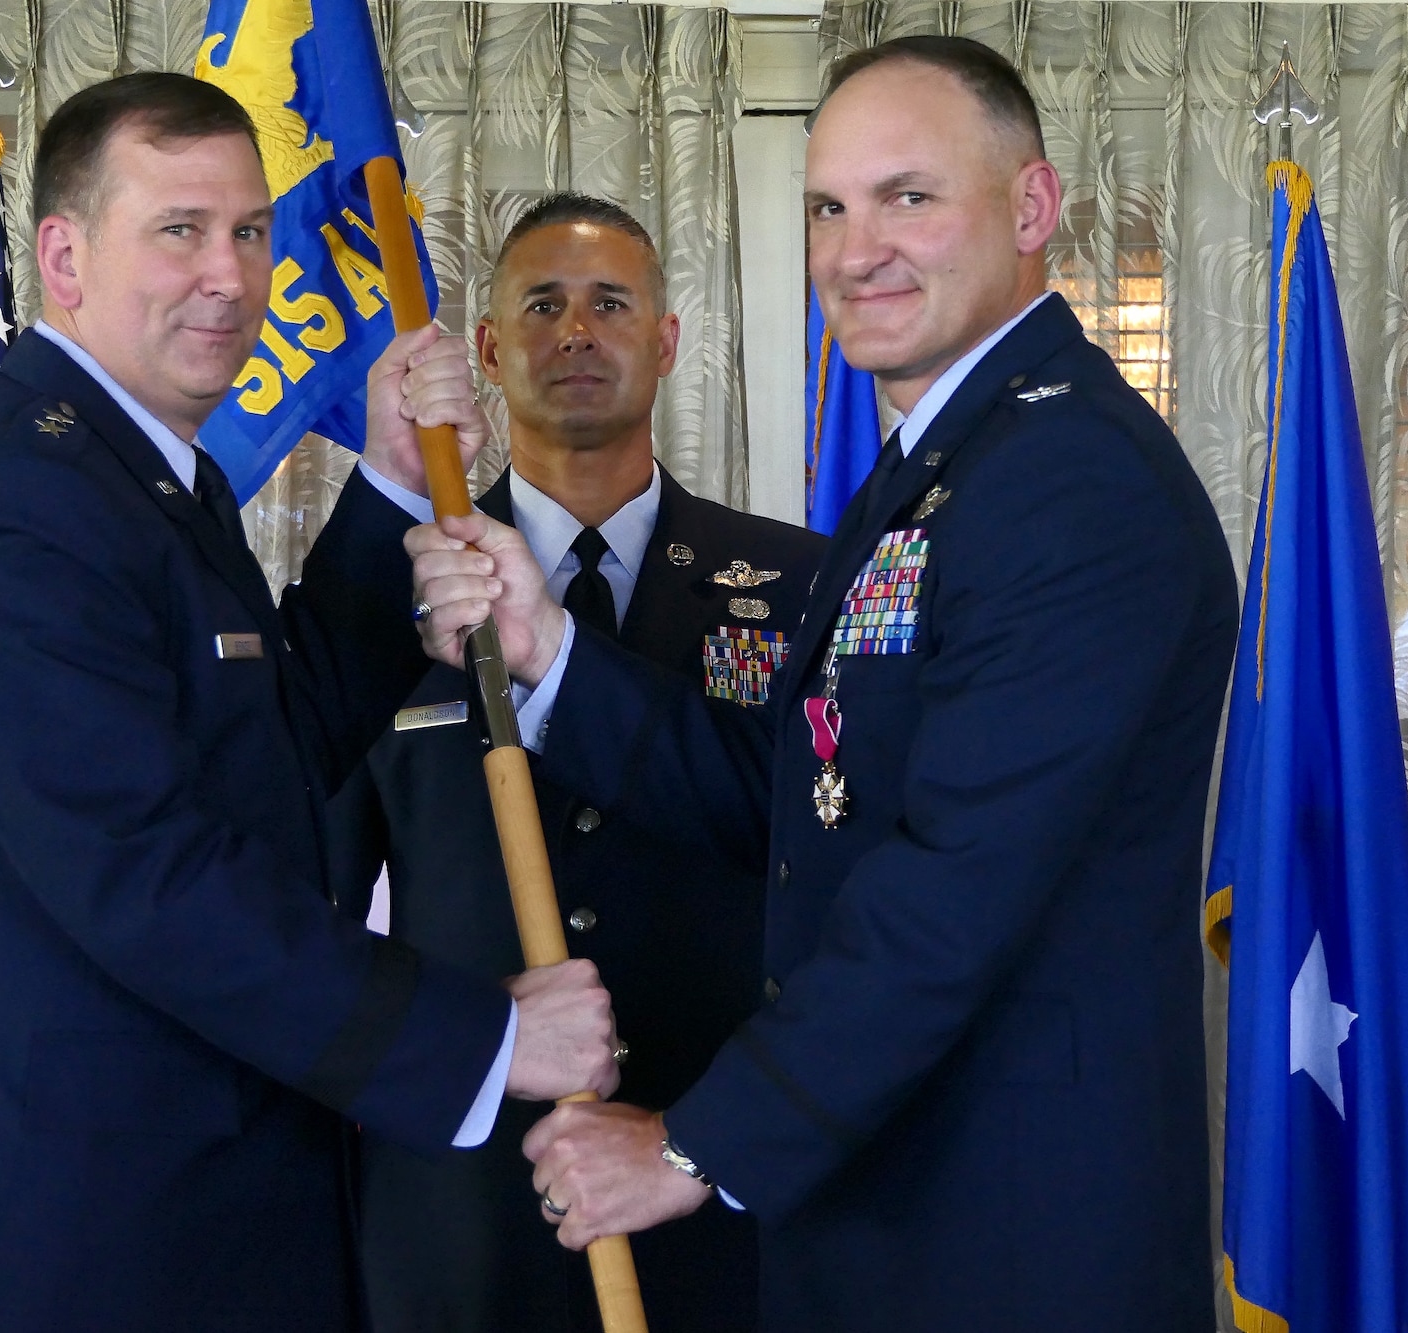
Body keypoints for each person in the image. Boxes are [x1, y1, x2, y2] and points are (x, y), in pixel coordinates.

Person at [407, 36, 1238, 1332]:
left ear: (1032, 207)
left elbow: (953, 889)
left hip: (1005, 1236)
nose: (857, 250)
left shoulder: (1070, 483)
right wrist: (546, 651)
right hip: (897, 1208)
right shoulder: (943, 465)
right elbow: (811, 794)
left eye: (910, 196)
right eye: (829, 208)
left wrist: (694, 1144)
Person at [0, 73, 619, 1333]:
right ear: (61, 255)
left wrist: (383, 486)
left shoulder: (139, 476)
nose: (230, 275)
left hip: (192, 1217)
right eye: (178, 230)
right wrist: (479, 1038)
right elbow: (149, 879)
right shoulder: (24, 504)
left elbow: (258, 746)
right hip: (90, 1252)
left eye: (251, 231)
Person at [327, 193, 824, 1333]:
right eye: (541, 305)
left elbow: (831, 868)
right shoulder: (387, 586)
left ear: (665, 340)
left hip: (713, 1182)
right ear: (490, 351)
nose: (575, 332)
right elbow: (312, 898)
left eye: (610, 303)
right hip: (458, 1206)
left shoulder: (798, 586)